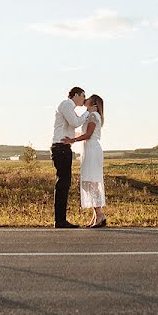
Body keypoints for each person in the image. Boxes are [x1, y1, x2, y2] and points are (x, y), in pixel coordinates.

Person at [65, 94, 106, 228]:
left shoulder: (94, 116)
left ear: (93, 103)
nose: (85, 99)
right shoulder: (91, 116)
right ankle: (96, 215)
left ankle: (99, 214)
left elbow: (88, 135)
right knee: (89, 182)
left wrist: (73, 140)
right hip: (88, 149)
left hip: (92, 149)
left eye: (87, 99)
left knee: (92, 182)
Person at [51, 87, 88, 228]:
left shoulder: (68, 107)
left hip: (63, 148)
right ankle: (60, 221)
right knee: (63, 184)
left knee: (64, 184)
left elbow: (72, 127)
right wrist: (87, 112)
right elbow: (75, 122)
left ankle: (60, 220)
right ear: (76, 95)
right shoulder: (66, 104)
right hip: (60, 149)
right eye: (83, 96)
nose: (84, 99)